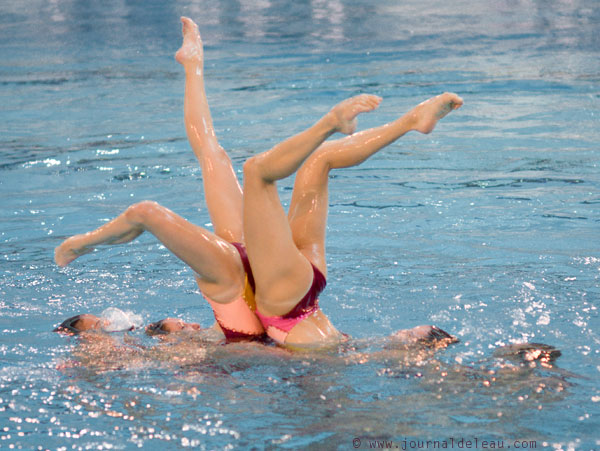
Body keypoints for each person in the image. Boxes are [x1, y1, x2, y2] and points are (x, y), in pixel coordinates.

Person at [54, 17, 462, 348]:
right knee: (272, 170)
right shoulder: (224, 304)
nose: (182, 325)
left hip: (286, 289)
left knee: (269, 165)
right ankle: (383, 122)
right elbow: (144, 214)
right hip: (286, 297)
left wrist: (193, 67)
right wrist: (84, 244)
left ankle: (390, 121)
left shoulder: (227, 285)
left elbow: (204, 147)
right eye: (176, 328)